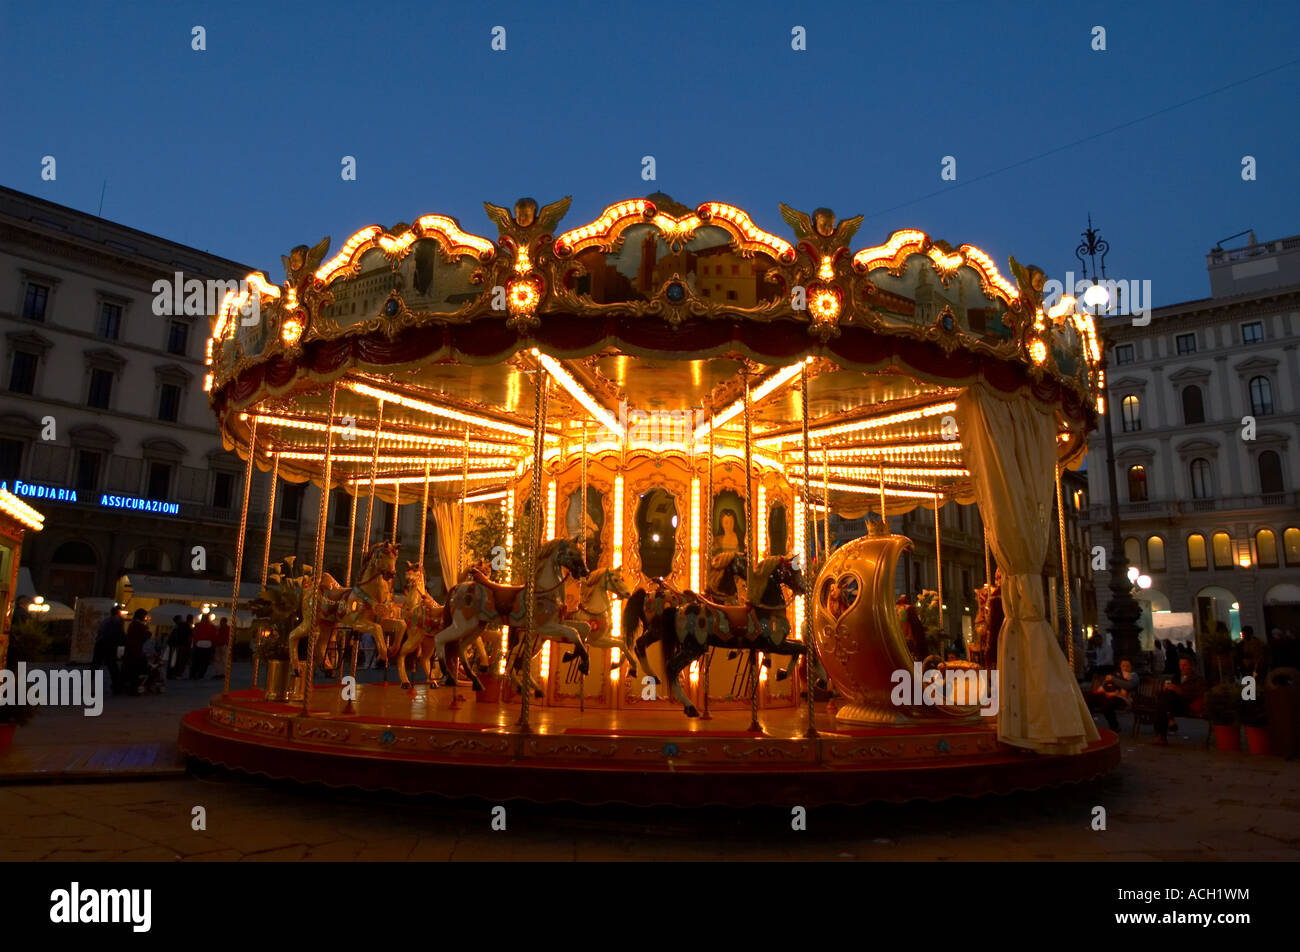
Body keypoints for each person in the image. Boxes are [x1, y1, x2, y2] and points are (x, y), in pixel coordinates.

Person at [1154, 656, 1206, 745]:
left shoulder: (1197, 679)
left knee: (1164, 701)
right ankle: (1169, 721)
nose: (1182, 667)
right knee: (1165, 696)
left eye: (1185, 665)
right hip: (1171, 704)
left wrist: (1180, 691)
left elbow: (1197, 693)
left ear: (1191, 666)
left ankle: (1162, 734)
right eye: (1180, 665)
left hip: (1185, 704)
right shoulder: (1176, 677)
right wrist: (1166, 689)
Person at [1090, 658, 1139, 731]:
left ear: (1132, 667)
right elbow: (1106, 684)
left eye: (1127, 666)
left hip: (1123, 698)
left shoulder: (1133, 675)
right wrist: (1107, 682)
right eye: (1123, 666)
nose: (1125, 668)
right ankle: (1088, 724)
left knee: (1107, 703)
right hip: (1110, 694)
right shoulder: (1117, 673)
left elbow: (1128, 685)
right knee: (1091, 697)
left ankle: (1114, 726)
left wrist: (1113, 679)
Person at [92, 606, 126, 695]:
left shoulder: (105, 620)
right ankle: (117, 687)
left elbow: (100, 632)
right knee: (113, 667)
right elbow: (120, 635)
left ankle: (85, 686)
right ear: (118, 612)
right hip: (109, 645)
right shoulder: (118, 621)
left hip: (100, 644)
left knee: (95, 666)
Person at [123, 609, 151, 695]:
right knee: (135, 671)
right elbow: (144, 636)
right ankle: (134, 689)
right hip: (135, 651)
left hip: (132, 650)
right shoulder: (138, 625)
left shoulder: (133, 624)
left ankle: (130, 687)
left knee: (131, 670)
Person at [190, 613, 218, 679]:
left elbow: (195, 635)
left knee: (196, 660)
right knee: (205, 661)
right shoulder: (212, 626)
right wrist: (213, 645)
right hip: (208, 644)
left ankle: (193, 674)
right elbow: (214, 636)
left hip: (199, 643)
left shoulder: (197, 625)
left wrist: (195, 643)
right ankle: (200, 675)